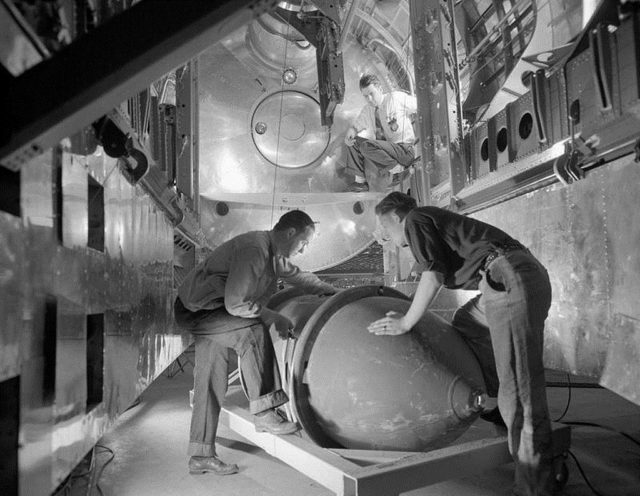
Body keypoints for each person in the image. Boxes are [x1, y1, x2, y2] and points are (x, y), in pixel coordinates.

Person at [367, 192, 556, 496]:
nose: (384, 236)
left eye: (384, 228)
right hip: (511, 275)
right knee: (468, 321)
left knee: (520, 390)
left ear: (395, 217)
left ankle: (534, 487)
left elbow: (433, 275)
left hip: (508, 276)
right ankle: (497, 402)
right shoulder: (429, 222)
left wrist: (406, 322)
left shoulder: (415, 219)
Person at [174, 210, 337, 476]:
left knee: (210, 377)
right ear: (290, 233)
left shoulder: (274, 256)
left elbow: (300, 277)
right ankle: (265, 411)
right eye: (304, 243)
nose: (304, 249)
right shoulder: (254, 249)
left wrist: (330, 291)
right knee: (252, 332)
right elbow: (236, 302)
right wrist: (274, 317)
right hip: (198, 311)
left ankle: (200, 455)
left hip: (212, 310)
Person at [344, 73, 417, 192]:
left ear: (380, 89)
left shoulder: (396, 98)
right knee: (353, 142)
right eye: (366, 96)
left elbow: (420, 105)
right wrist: (350, 132)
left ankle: (399, 170)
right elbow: (356, 126)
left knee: (366, 146)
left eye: (371, 94)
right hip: (386, 150)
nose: (369, 99)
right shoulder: (368, 110)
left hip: (403, 150)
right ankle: (360, 182)